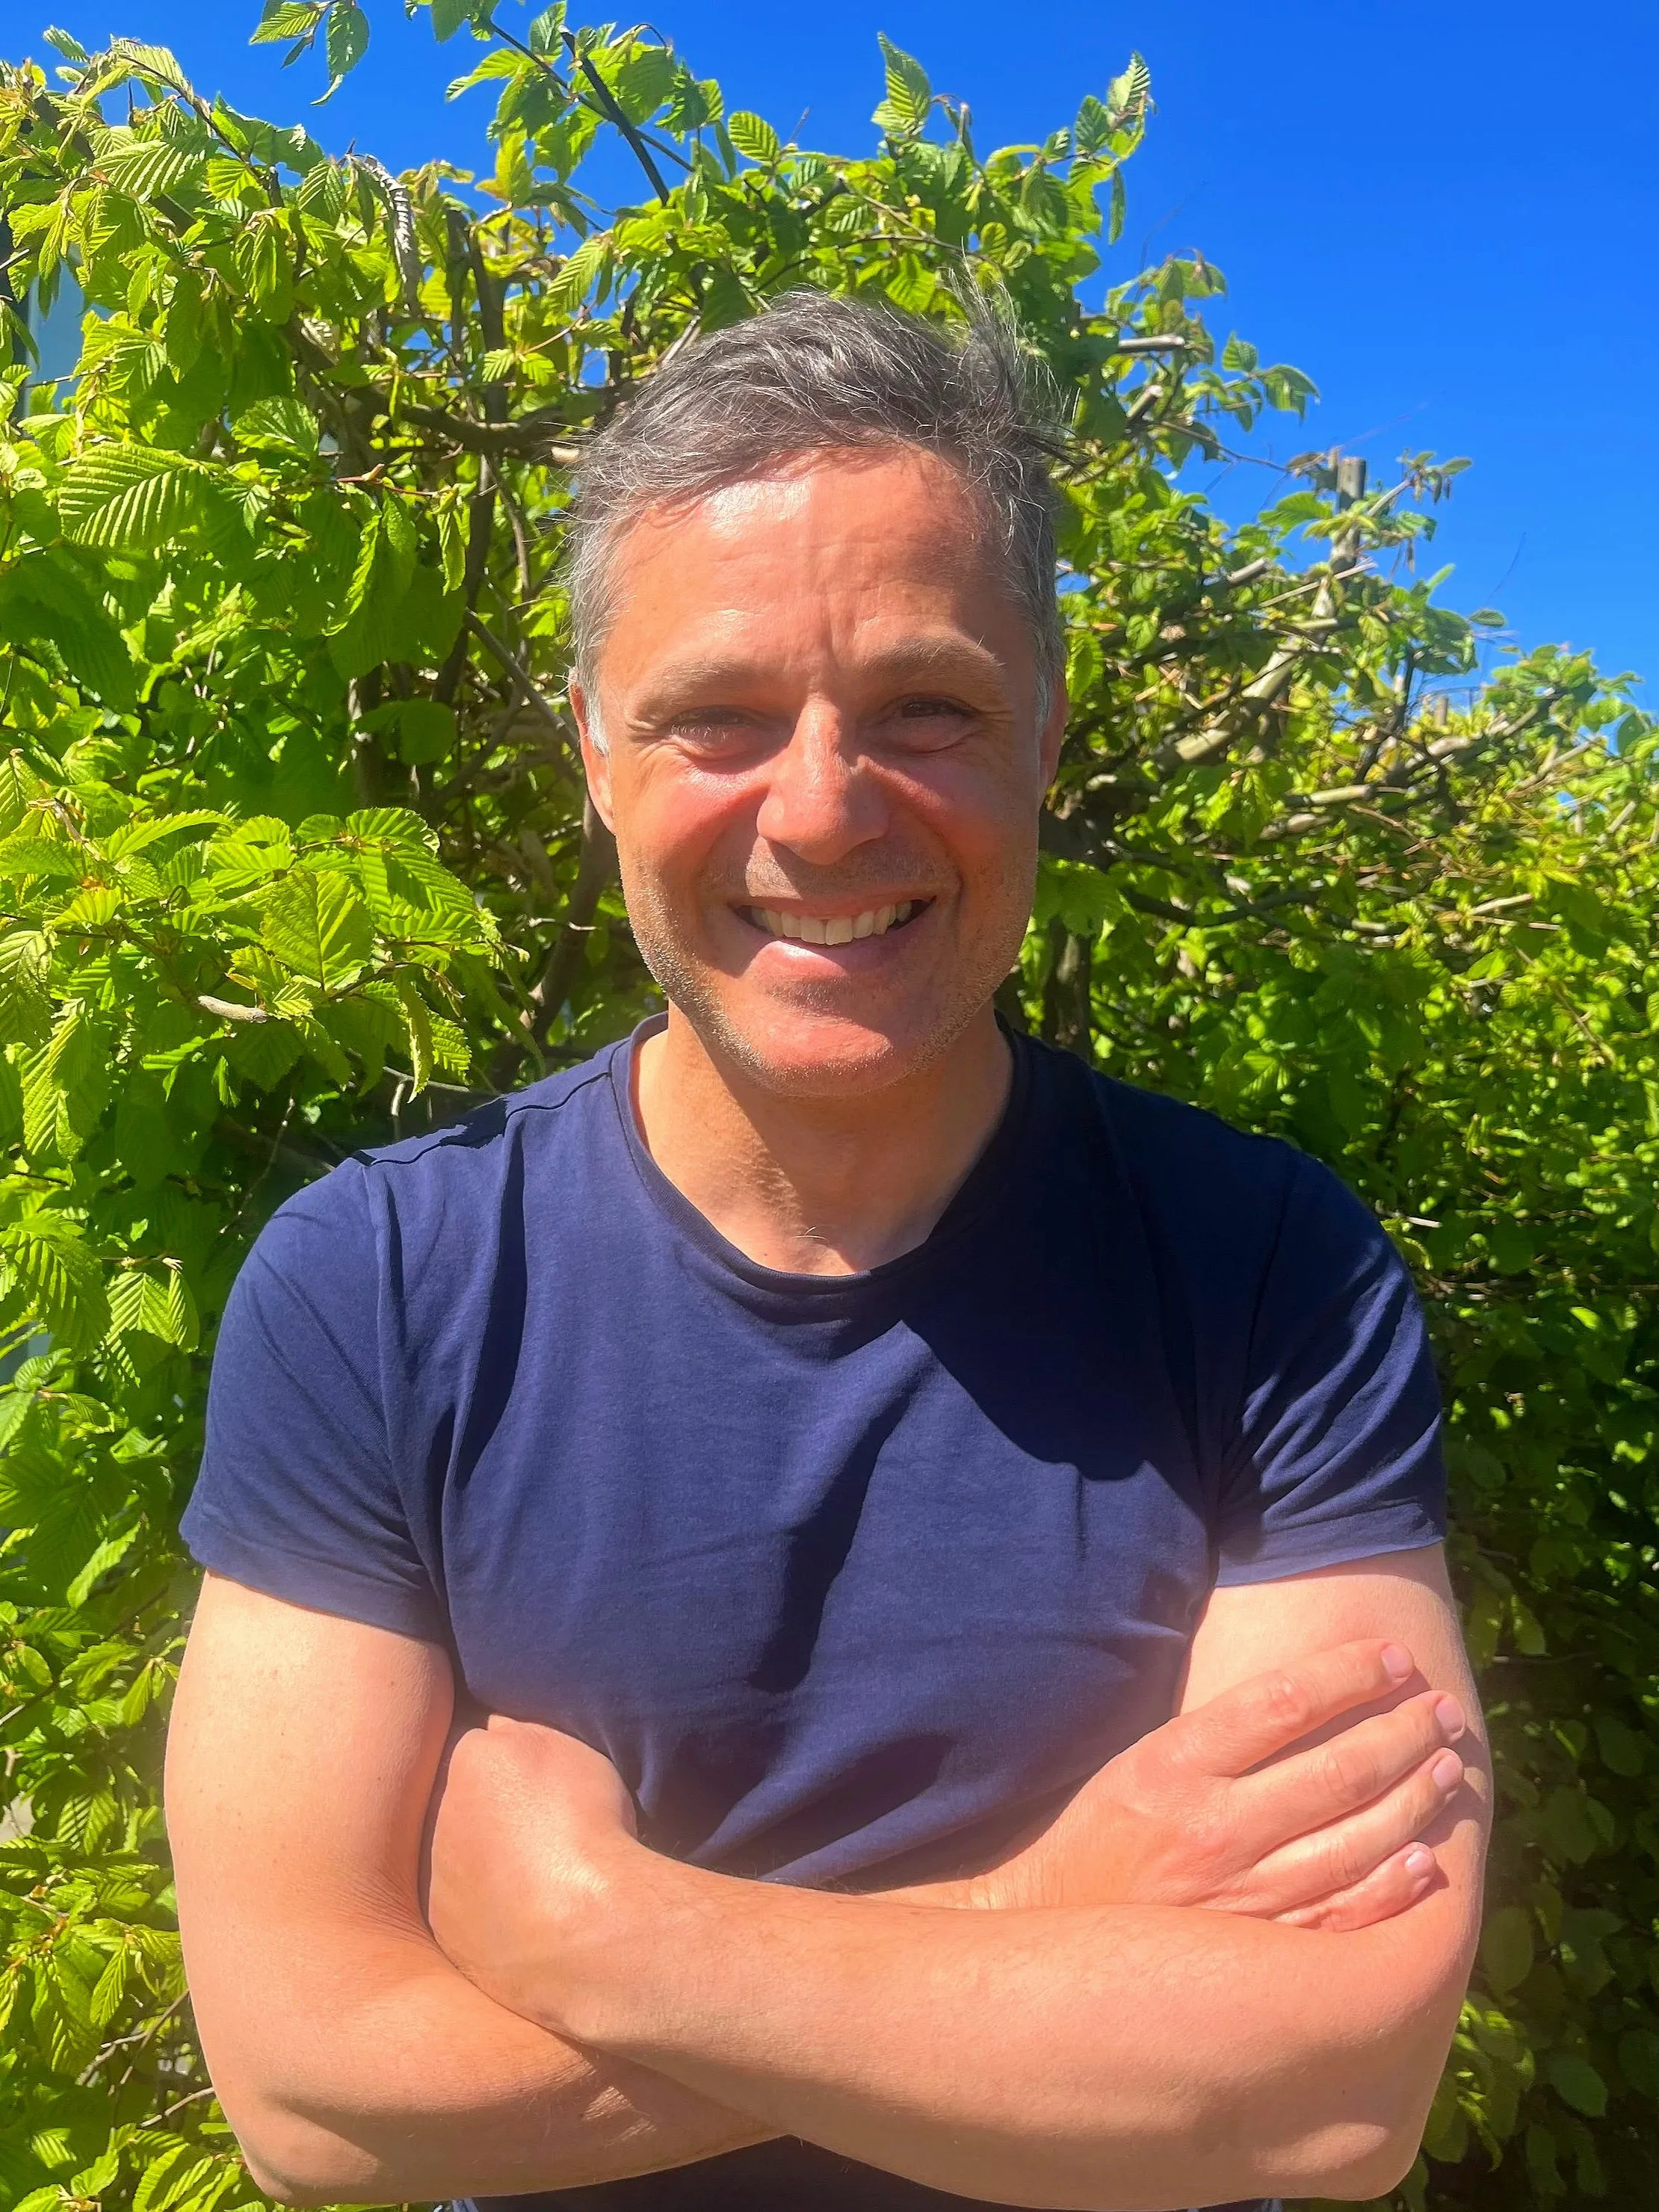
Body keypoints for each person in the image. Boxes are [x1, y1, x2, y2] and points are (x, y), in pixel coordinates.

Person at [164, 291, 1489, 2212]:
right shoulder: (375, 1284)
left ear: (1046, 727)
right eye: (713, 714)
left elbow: (1332, 2083)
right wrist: (1042, 1908)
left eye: (925, 709)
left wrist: (606, 1937)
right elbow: (315, 2090)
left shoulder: (1273, 1272)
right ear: (594, 754)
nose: (818, 808)